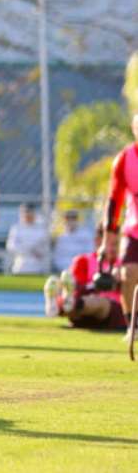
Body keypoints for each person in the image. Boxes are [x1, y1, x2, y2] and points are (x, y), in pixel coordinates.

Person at [44, 224, 126, 330]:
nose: (114, 248)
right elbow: (78, 288)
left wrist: (122, 280)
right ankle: (56, 305)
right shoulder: (84, 261)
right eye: (111, 244)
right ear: (98, 241)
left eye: (117, 244)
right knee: (77, 301)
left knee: (98, 302)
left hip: (111, 310)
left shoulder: (125, 265)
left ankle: (59, 304)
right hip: (82, 310)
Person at [101, 113, 138, 333]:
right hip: (134, 229)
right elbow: (114, 201)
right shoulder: (124, 160)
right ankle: (132, 325)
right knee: (127, 274)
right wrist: (108, 240)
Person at [6, 203, 50, 275]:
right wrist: (30, 250)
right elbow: (11, 246)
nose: (27, 215)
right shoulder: (16, 228)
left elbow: (45, 248)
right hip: (20, 265)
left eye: (29, 212)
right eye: (25, 212)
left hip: (38, 266)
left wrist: (36, 251)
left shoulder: (41, 229)